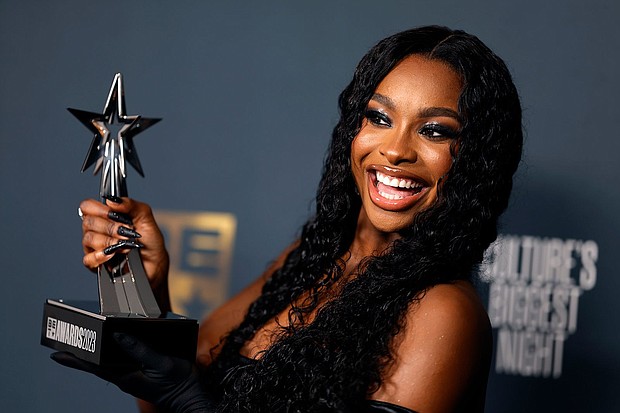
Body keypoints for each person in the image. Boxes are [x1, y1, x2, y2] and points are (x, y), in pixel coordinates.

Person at [53, 25, 523, 412]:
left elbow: (184, 398)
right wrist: (149, 292)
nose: (395, 150)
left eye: (434, 131)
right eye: (379, 118)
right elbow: (165, 398)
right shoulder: (306, 262)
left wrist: (187, 398)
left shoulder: (444, 314)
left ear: (475, 162)